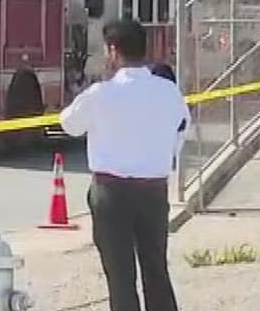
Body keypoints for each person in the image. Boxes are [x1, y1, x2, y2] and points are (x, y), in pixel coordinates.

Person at [60, 19, 189, 311]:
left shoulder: (101, 94)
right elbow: (181, 130)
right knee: (156, 269)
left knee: (120, 276)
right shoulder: (168, 92)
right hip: (154, 192)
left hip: (112, 192)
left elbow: (68, 124)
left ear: (113, 52)